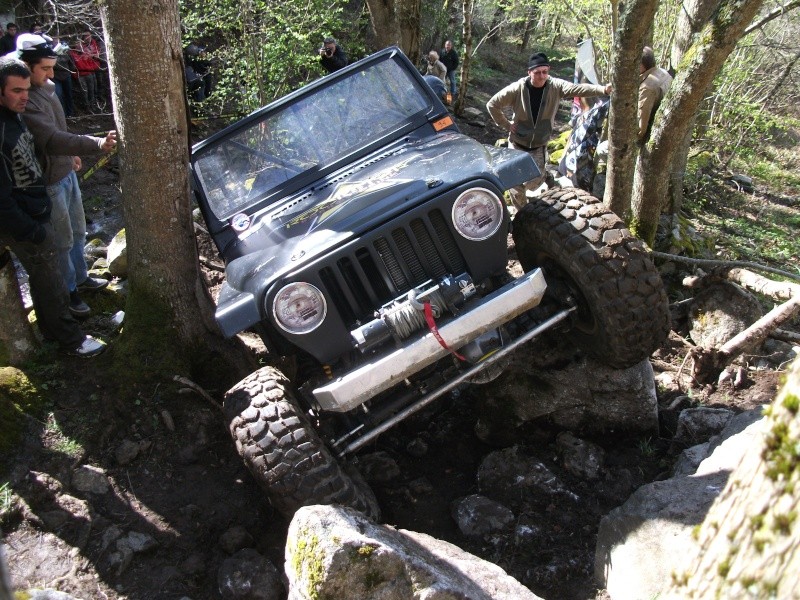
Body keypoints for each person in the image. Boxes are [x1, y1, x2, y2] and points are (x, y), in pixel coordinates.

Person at [0, 56, 105, 356]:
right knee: (52, 280)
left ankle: (50, 330)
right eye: (16, 91)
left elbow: (40, 147)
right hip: (24, 221)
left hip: (36, 208)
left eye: (25, 89)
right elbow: (2, 199)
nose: (24, 96)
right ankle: (72, 340)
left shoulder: (14, 116)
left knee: (44, 277)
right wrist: (31, 230)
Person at [16, 34, 116, 317]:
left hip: (64, 172)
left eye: (51, 67)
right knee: (62, 240)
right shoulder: (26, 97)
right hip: (48, 181)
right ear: (26, 65)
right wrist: (94, 144)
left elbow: (60, 127)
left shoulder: (45, 87)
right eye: (45, 68)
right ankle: (69, 293)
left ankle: (81, 278)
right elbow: (49, 138)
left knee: (78, 230)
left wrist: (72, 154)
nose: (52, 74)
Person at [486, 52, 611, 209]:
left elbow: (578, 89)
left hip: (539, 144)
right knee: (515, 184)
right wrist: (505, 124)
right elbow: (492, 104)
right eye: (537, 72)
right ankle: (522, 215)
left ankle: (545, 176)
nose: (541, 76)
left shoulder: (555, 86)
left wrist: (603, 90)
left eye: (545, 72)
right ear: (529, 72)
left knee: (533, 183)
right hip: (517, 143)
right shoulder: (518, 89)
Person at [638, 46, 673, 144]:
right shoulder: (663, 72)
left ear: (641, 66)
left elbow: (640, 130)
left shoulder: (646, 88)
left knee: (602, 148)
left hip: (652, 137)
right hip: (665, 128)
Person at [51, 36, 76, 117]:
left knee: (69, 94)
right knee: (59, 95)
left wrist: (72, 71)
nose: (55, 42)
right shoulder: (50, 51)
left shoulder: (65, 50)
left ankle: (70, 113)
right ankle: (63, 114)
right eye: (54, 40)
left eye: (57, 40)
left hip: (66, 74)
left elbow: (71, 62)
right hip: (56, 76)